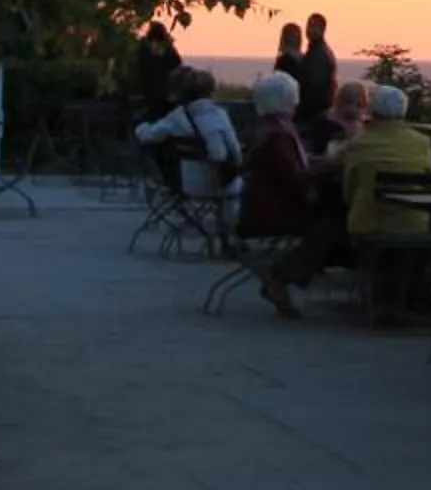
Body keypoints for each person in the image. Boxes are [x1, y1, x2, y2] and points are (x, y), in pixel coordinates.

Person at [339, 84, 431, 321]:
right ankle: (410, 302)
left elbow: (349, 191)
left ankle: (384, 303)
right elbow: (430, 183)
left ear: (371, 111)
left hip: (369, 221)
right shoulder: (422, 143)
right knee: (409, 236)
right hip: (414, 224)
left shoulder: (358, 144)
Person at [235, 70, 319, 317]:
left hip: (260, 205)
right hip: (274, 212)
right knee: (330, 226)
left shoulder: (268, 129)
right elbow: (294, 180)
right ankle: (281, 277)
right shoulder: (281, 134)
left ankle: (282, 277)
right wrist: (329, 166)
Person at [130, 67, 240, 203]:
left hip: (187, 184)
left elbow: (147, 136)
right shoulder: (221, 115)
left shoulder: (178, 117)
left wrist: (141, 126)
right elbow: (235, 151)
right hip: (220, 183)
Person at [295, 11, 340, 149]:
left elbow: (315, 86)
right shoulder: (317, 51)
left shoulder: (319, 54)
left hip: (314, 114)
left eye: (313, 26)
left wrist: (300, 109)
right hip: (315, 112)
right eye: (308, 26)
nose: (309, 30)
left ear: (322, 29)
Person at [131, 20, 182, 122]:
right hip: (164, 89)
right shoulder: (167, 48)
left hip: (148, 89)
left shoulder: (144, 47)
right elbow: (177, 62)